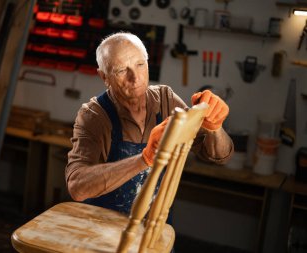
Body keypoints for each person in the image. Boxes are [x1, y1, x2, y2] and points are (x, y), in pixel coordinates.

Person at [65, 32, 233, 216]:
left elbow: (220, 156)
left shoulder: (165, 100)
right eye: (121, 70)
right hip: (100, 226)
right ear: (104, 77)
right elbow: (77, 188)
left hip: (151, 228)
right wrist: (144, 159)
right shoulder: (94, 116)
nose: (135, 78)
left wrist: (215, 127)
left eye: (140, 65)